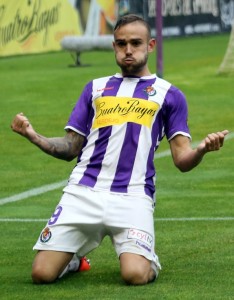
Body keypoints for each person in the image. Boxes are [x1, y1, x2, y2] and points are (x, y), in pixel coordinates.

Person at [11, 14, 229, 285]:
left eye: (135, 43)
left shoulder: (169, 95)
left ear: (150, 46)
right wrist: (34, 136)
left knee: (135, 275)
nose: (128, 50)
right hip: (83, 192)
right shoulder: (95, 88)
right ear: (113, 46)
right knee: (41, 274)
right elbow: (70, 147)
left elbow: (182, 159)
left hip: (133, 197)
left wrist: (202, 150)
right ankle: (75, 261)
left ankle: (146, 257)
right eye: (121, 43)